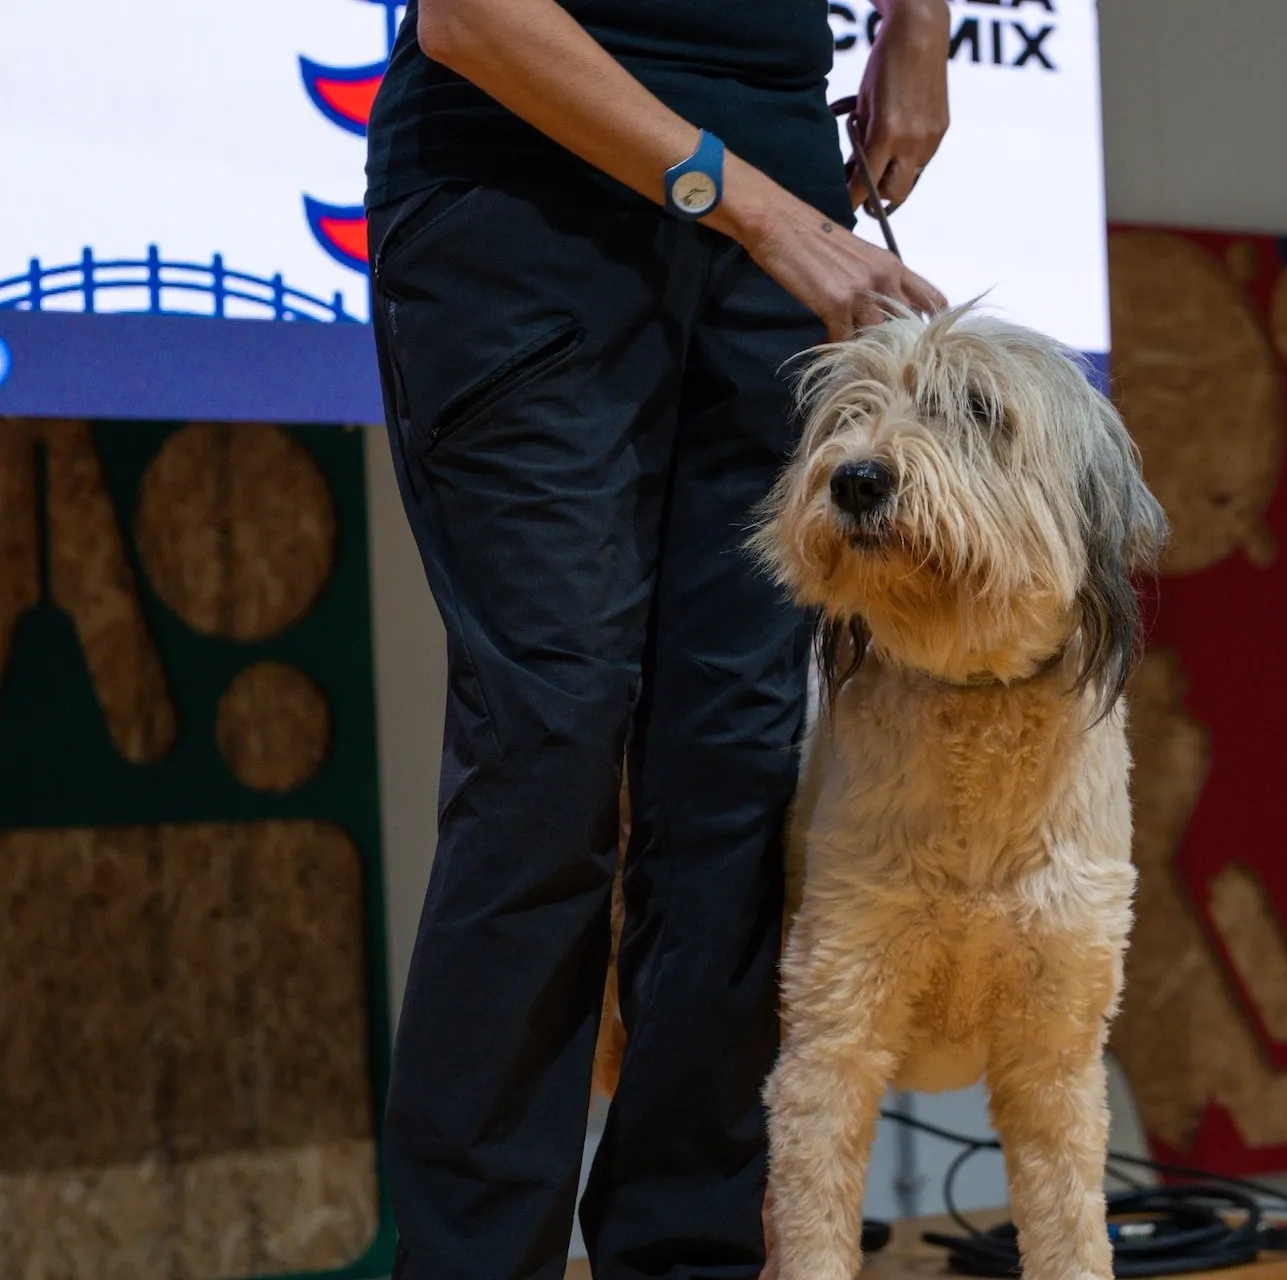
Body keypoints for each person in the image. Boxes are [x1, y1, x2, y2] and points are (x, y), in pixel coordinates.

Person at [362, 1, 950, 1276]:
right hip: (524, 192)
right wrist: (761, 211)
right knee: (549, 749)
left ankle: (690, 1254)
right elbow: (466, 19)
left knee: (736, 769)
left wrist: (922, 20)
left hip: (778, 201)